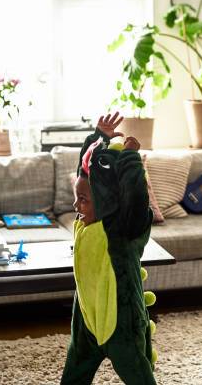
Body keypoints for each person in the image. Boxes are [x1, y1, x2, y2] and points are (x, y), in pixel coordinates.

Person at [61, 113, 157, 384]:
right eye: (75, 198)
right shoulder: (84, 222)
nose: (75, 206)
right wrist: (98, 138)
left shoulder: (123, 229)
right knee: (74, 374)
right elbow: (88, 172)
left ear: (106, 201)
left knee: (138, 374)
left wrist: (128, 159)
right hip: (86, 322)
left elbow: (135, 196)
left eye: (82, 200)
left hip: (121, 326)